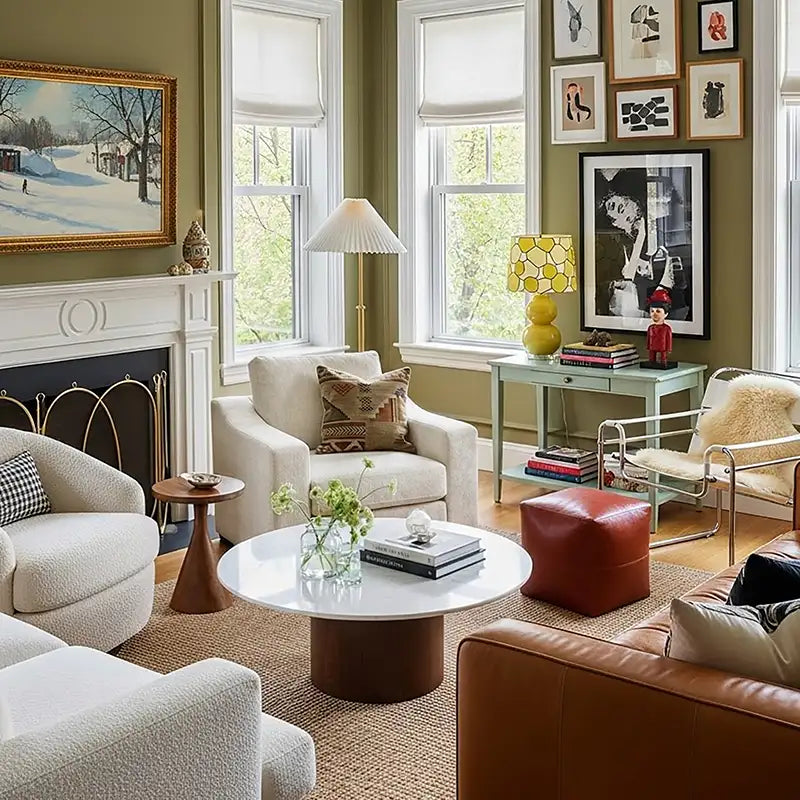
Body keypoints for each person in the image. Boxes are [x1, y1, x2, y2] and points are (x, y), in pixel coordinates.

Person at [645, 287, 673, 367]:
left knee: (663, 356)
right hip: (652, 346)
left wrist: (669, 348)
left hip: (662, 347)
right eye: (652, 311)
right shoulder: (650, 328)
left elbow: (669, 339)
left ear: (666, 314)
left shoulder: (667, 328)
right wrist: (648, 346)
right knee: (651, 356)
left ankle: (663, 361)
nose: (654, 314)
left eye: (658, 311)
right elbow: (648, 339)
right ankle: (652, 361)